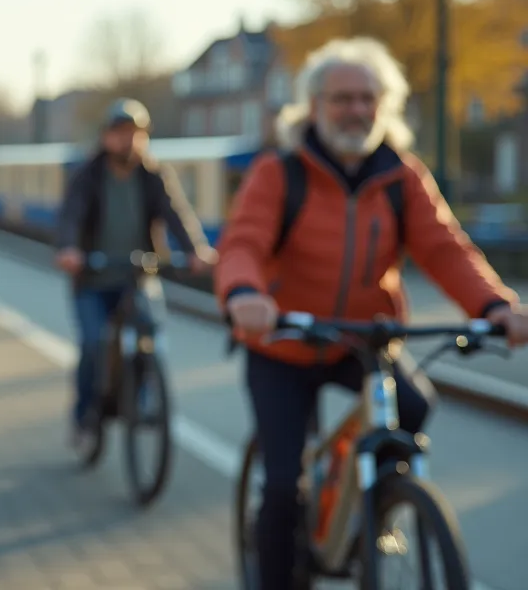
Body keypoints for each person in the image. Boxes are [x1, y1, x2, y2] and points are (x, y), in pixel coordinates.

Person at [215, 36, 528, 589]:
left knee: (414, 406)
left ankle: (368, 513)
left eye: (368, 98)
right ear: (314, 106)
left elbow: (444, 248)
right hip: (282, 343)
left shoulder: (402, 177)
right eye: (342, 99)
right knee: (285, 484)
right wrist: (244, 293)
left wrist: (496, 305)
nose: (357, 110)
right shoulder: (279, 173)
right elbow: (243, 243)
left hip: (360, 339)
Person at [53, 98, 213, 450]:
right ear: (106, 136)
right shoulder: (88, 175)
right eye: (122, 133)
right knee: (93, 343)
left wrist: (195, 250)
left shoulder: (153, 175)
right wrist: (69, 249)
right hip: (93, 280)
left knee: (152, 331)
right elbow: (71, 216)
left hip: (138, 275)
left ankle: (141, 394)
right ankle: (83, 415)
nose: (131, 141)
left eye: (138, 134)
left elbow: (177, 214)